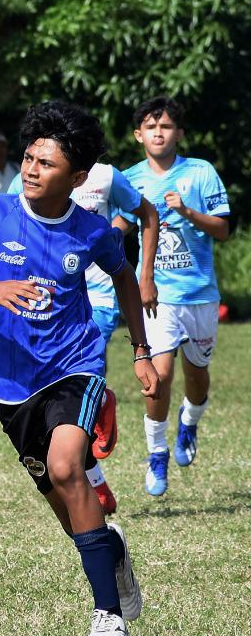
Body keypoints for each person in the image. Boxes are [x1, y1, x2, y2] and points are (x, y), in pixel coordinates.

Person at [0, 100, 157, 636]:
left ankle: (107, 616)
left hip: (75, 365)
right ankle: (112, 553)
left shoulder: (90, 231)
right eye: (28, 158)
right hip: (7, 385)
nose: (29, 169)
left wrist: (140, 350)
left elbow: (124, 279)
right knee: (65, 503)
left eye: (44, 163)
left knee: (67, 465)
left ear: (76, 178)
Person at [6, 160, 160, 512]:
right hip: (52, 302)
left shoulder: (106, 176)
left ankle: (98, 410)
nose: (37, 165)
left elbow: (146, 214)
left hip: (100, 300)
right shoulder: (24, 181)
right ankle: (95, 476)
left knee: (73, 385)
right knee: (58, 404)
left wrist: (142, 272)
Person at [118, 97, 230, 496]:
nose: (159, 133)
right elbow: (121, 226)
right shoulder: (130, 179)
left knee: (196, 377)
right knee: (158, 377)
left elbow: (222, 229)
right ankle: (157, 454)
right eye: (151, 127)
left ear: (178, 133)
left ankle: (190, 421)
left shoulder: (200, 173)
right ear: (139, 135)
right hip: (156, 296)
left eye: (165, 126)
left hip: (198, 294)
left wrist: (186, 212)